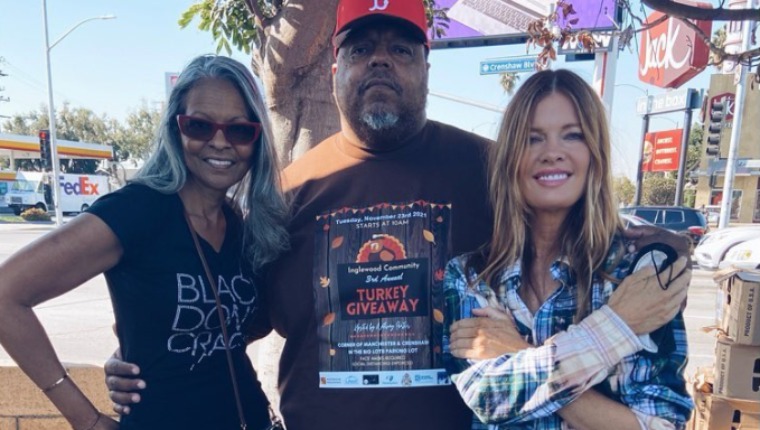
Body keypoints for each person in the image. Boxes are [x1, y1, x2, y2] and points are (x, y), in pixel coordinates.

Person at [103, 2, 692, 429]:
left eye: (401, 50)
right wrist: (142, 353)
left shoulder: (494, 168)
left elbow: (575, 210)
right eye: (361, 50)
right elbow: (232, 313)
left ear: (427, 68)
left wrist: (664, 248)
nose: (380, 62)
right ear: (335, 70)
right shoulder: (286, 194)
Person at [0, 54, 288, 430]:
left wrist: (142, 345)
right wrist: (86, 420)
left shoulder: (237, 223)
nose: (219, 142)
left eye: (239, 130)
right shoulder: (136, 211)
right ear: (175, 130)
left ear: (257, 139)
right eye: (199, 126)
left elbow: (237, 326)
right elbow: (6, 294)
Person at [443, 69, 693, 429]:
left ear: (594, 153)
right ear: (510, 157)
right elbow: (490, 398)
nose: (552, 153)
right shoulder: (471, 276)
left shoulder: (636, 272)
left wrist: (519, 354)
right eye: (532, 139)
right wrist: (618, 325)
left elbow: (661, 425)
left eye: (572, 135)